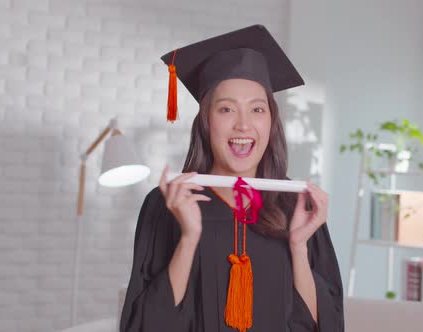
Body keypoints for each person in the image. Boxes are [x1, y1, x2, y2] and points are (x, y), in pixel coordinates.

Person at [120, 24, 344, 332]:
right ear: (205, 122)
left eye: (257, 110)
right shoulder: (168, 204)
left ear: (271, 122)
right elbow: (146, 325)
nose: (243, 125)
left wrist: (298, 246)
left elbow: (322, 326)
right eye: (226, 109)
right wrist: (188, 238)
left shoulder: (297, 206)